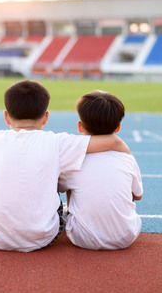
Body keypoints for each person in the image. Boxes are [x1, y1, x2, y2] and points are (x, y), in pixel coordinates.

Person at [0, 80, 130, 252]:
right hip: (43, 238)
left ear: (6, 116)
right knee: (56, 173)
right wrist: (125, 152)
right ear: (46, 117)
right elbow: (112, 140)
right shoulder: (57, 142)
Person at [58, 90, 143, 250]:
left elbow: (58, 188)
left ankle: (72, 214)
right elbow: (137, 195)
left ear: (80, 126)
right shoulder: (127, 159)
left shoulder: (73, 159)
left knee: (71, 184)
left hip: (82, 238)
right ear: (118, 127)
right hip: (127, 236)